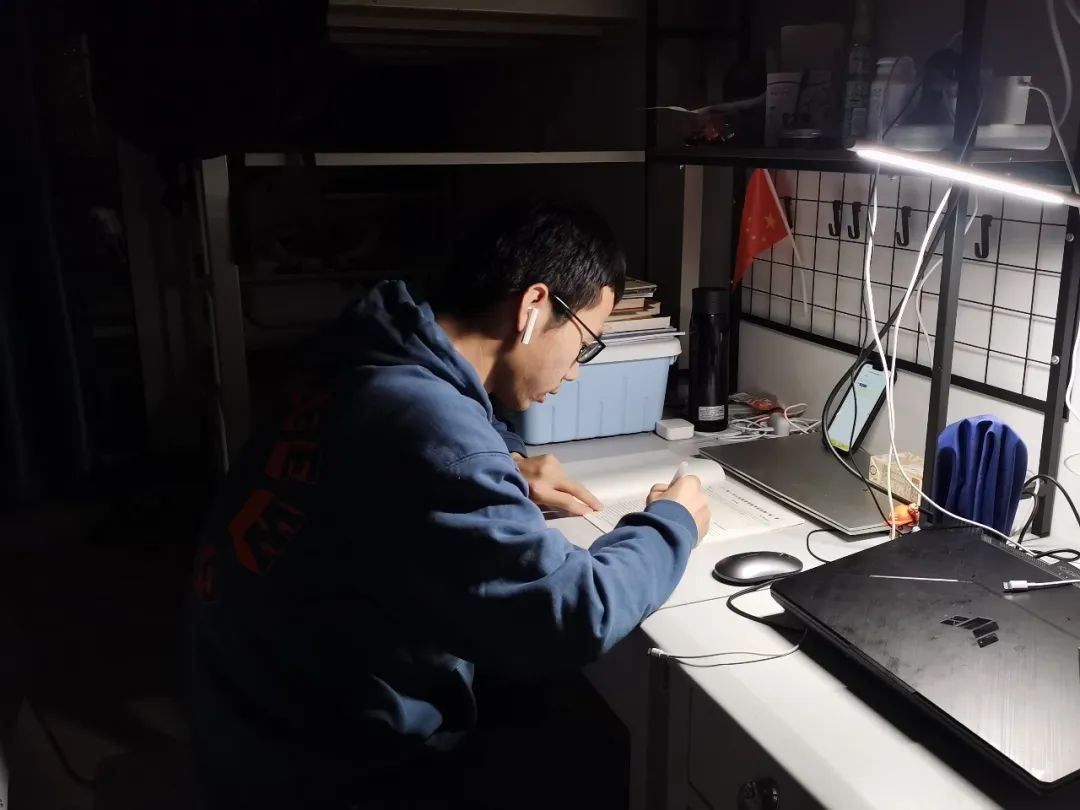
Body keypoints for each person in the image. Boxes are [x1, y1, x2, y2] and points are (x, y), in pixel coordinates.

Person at [189, 202, 710, 809]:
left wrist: (503, 462)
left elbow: (427, 445)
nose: (575, 372)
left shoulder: (367, 354)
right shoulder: (431, 431)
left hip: (245, 706)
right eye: (585, 344)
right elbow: (569, 615)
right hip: (325, 760)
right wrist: (671, 523)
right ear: (532, 306)